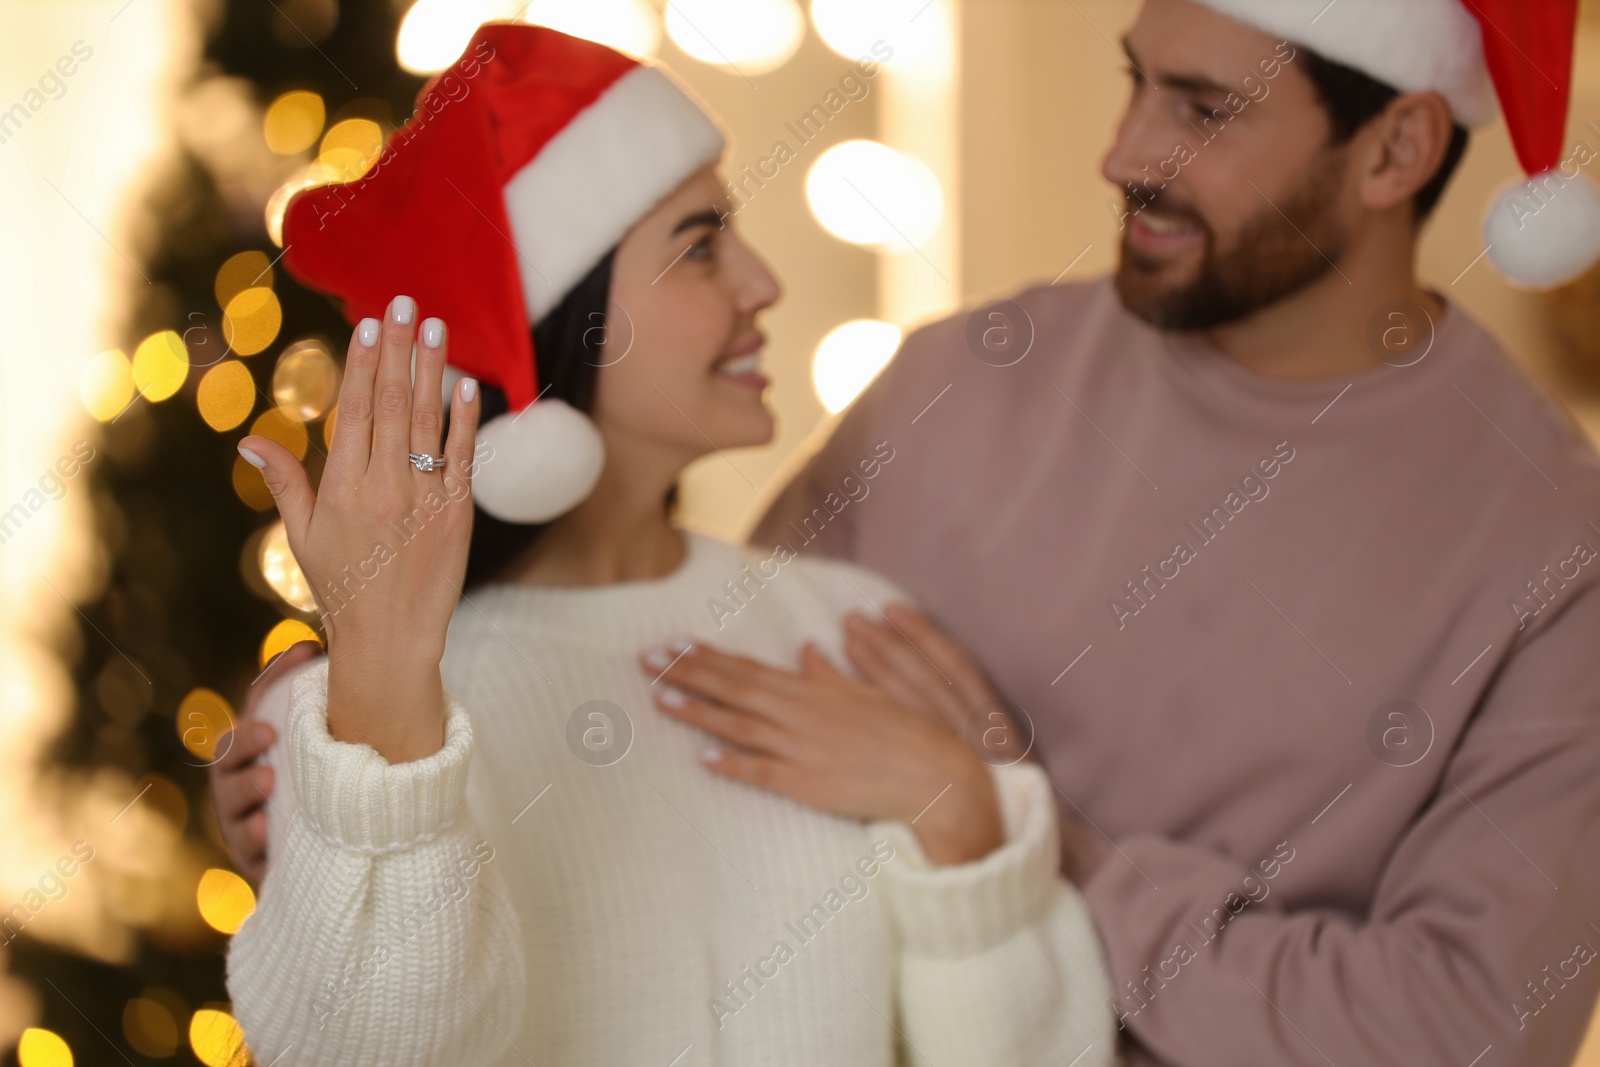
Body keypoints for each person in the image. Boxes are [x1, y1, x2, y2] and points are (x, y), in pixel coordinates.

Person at [683, 1, 1600, 1065]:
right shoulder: (960, 376)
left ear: (1395, 149)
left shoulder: (1553, 545)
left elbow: (1460, 1032)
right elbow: (704, 777)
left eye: (1203, 111)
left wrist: (1034, 835)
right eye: (1135, 82)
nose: (1122, 156)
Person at [219, 22, 1115, 1067]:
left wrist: (961, 817)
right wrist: (376, 720)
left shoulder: (851, 632)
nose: (762, 283)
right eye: (700, 246)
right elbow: (366, 1048)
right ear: (565, 319)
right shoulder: (351, 725)